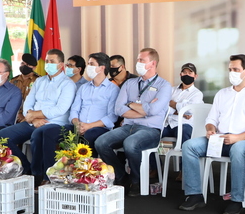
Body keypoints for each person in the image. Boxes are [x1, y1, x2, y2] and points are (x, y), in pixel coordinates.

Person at [179, 54, 245, 214]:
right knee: (189, 146)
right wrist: (211, 129)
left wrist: (237, 138)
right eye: (230, 69)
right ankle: (195, 195)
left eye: (236, 69)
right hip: (220, 139)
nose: (231, 73)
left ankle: (236, 200)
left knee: (238, 149)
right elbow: (211, 119)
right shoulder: (222, 94)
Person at [94, 48, 172, 197]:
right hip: (128, 126)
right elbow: (118, 109)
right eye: (137, 60)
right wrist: (144, 109)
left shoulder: (164, 85)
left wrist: (130, 104)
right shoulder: (130, 83)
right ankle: (122, 176)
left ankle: (136, 181)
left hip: (150, 129)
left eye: (142, 60)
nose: (138, 63)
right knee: (101, 142)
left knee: (130, 144)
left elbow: (155, 110)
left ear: (153, 63)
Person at [0, 49, 77, 184]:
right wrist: (33, 118)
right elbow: (29, 102)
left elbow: (61, 109)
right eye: (47, 61)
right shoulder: (40, 81)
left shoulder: (67, 84)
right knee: (2, 135)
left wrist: (35, 115)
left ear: (61, 64)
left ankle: (42, 176)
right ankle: (26, 167)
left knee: (40, 134)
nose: (48, 64)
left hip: (55, 123)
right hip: (33, 122)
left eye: (52, 61)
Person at [70, 52, 119, 147]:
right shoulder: (83, 87)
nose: (88, 67)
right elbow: (74, 109)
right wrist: (77, 124)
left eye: (91, 64)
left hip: (100, 128)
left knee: (90, 134)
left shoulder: (113, 89)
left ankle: (90, 162)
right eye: (88, 64)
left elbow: (112, 116)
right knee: (59, 131)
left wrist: (89, 126)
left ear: (102, 68)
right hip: (79, 126)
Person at [163, 62, 204, 143]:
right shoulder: (171, 90)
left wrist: (173, 104)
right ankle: (151, 156)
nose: (187, 75)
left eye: (190, 73)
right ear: (180, 74)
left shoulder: (197, 94)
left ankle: (185, 155)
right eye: (184, 72)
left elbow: (190, 110)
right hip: (167, 124)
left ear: (195, 76)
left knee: (185, 131)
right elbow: (162, 105)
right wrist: (181, 113)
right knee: (151, 132)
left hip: (183, 124)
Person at [11, 53, 39, 123]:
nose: (24, 66)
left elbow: (39, 102)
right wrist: (18, 114)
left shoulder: (38, 81)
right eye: (23, 63)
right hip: (13, 116)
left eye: (28, 65)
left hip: (31, 117)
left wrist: (25, 115)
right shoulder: (13, 81)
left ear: (34, 67)